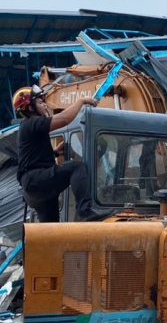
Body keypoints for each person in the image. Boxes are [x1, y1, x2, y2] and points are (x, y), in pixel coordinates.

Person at [13, 85, 108, 222]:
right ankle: (85, 211)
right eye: (40, 102)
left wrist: (54, 153)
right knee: (76, 167)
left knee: (51, 228)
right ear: (30, 108)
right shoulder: (32, 122)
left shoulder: (28, 127)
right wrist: (81, 101)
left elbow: (31, 157)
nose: (45, 105)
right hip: (35, 180)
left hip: (33, 188)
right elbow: (64, 119)